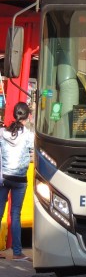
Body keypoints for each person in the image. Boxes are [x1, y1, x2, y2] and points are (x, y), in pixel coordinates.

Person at [0, 102, 35, 261]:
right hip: (20, 179)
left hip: (4, 178)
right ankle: (17, 252)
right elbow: (33, 153)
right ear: (28, 116)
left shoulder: (2, 133)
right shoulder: (28, 135)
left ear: (15, 115)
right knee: (15, 215)